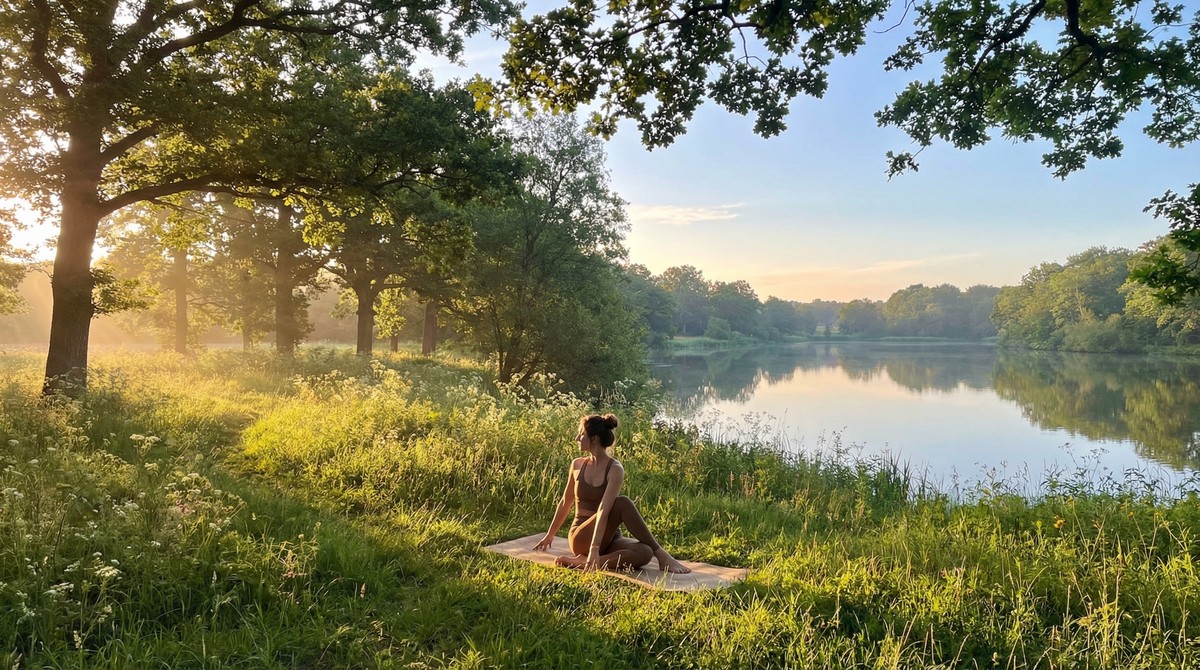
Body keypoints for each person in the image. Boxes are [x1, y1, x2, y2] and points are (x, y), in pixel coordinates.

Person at [534, 414, 691, 573]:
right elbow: (565, 502)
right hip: (582, 538)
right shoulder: (577, 465)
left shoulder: (615, 469)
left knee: (645, 552)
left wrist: (596, 550)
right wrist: (549, 535)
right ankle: (662, 554)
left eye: (581, 434)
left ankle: (586, 563)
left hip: (610, 538)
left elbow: (604, 510)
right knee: (622, 502)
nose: (577, 438)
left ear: (594, 439)